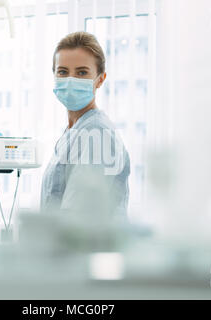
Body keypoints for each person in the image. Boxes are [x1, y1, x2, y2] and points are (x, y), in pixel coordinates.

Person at [40, 31, 130, 220]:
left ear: (100, 79)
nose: (71, 80)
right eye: (63, 72)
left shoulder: (96, 133)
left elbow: (77, 216)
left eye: (82, 72)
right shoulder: (74, 131)